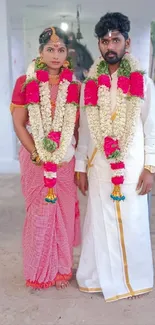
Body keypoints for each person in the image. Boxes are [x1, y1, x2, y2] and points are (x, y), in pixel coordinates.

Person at [75, 12, 155, 302]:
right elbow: (84, 130)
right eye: (105, 40)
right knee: (98, 219)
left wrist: (150, 167)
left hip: (131, 164)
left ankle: (134, 279)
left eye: (116, 40)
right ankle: (97, 277)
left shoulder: (143, 84)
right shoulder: (89, 85)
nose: (110, 46)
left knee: (133, 218)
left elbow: (151, 128)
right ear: (98, 44)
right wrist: (81, 165)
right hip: (99, 164)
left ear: (127, 43)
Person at [10, 26, 81, 290]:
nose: (55, 54)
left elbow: (76, 128)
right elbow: (19, 123)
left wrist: (71, 154)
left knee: (62, 211)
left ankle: (62, 268)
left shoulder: (74, 85)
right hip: (35, 156)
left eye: (61, 49)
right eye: (50, 49)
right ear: (40, 52)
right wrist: (37, 153)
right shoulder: (25, 82)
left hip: (64, 157)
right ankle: (39, 269)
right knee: (39, 211)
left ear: (67, 53)